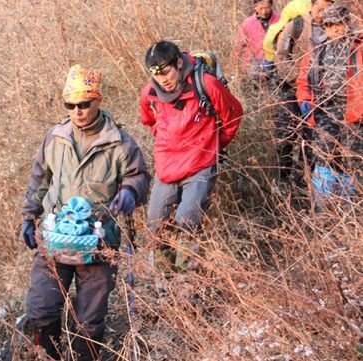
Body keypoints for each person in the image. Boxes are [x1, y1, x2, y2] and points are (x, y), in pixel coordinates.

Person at [20, 64, 150, 360]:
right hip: (54, 238)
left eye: (84, 104)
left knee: (89, 324)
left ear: (98, 100)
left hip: (99, 241)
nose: (77, 111)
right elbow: (39, 178)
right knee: (41, 311)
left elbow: (139, 176)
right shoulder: (55, 137)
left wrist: (130, 191)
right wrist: (28, 217)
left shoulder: (119, 141)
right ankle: (47, 356)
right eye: (71, 104)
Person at [140, 41, 243, 271]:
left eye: (167, 72)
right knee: (156, 226)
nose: (163, 79)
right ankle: (164, 280)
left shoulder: (206, 84)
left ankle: (188, 285)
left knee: (187, 221)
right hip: (167, 166)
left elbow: (233, 115)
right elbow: (149, 119)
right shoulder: (149, 93)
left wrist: (214, 145)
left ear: (178, 63)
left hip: (200, 163)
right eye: (157, 75)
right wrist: (167, 139)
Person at [296, 4, 362, 207]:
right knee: (323, 156)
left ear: (347, 24)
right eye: (330, 25)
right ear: (324, 27)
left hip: (355, 112)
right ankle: (324, 207)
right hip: (326, 110)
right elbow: (303, 81)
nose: (335, 29)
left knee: (353, 159)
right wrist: (305, 101)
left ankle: (351, 207)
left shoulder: (358, 48)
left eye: (339, 24)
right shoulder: (316, 51)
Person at [269, 0, 333, 186]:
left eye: (326, 9)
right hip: (292, 89)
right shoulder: (296, 25)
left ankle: (305, 181)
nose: (322, 13)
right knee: (285, 134)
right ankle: (282, 180)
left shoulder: (334, 28)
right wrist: (298, 78)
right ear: (311, 6)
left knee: (312, 138)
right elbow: (281, 57)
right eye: (319, 9)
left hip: (320, 94)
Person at [232, 0, 280, 83]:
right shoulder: (247, 23)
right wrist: (232, 70)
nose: (264, 12)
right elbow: (238, 46)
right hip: (255, 65)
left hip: (277, 63)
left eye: (267, 8)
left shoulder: (280, 19)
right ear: (255, 7)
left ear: (271, 5)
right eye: (261, 8)